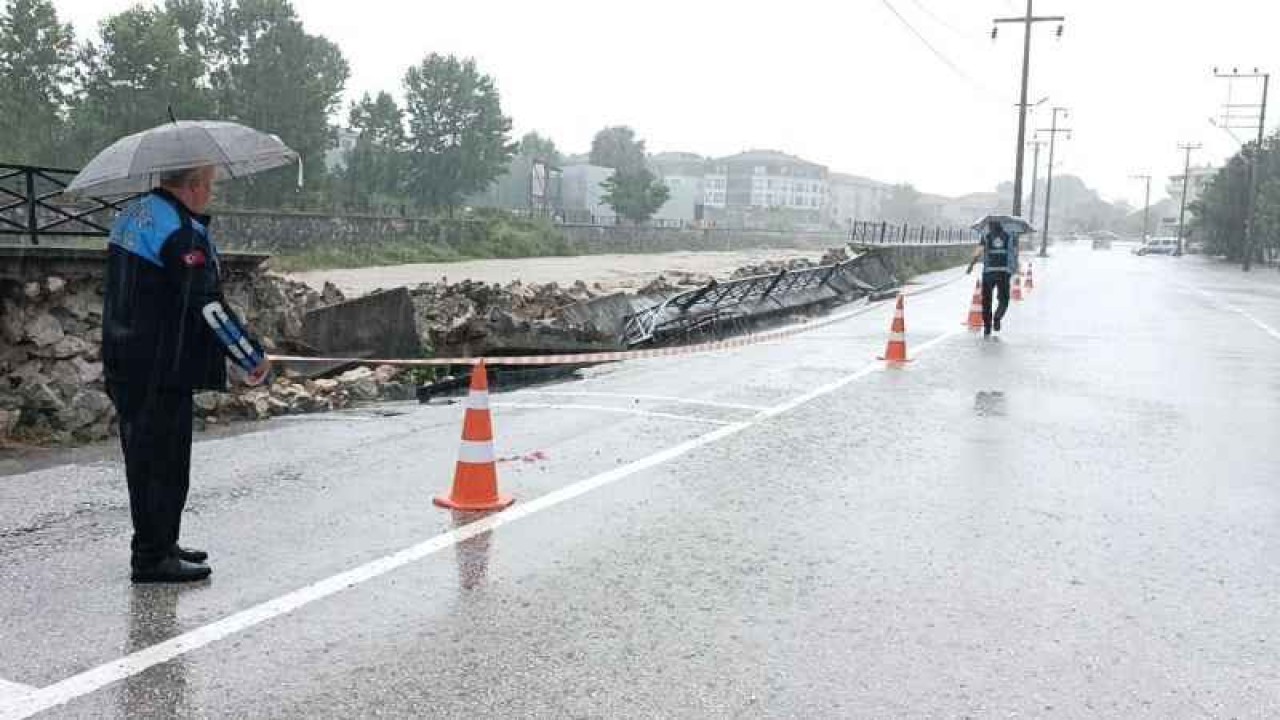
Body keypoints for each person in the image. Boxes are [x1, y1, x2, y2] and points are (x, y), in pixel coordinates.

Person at [103, 165, 271, 583]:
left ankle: (161, 542)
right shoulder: (181, 233)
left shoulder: (135, 214)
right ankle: (152, 558)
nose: (211, 193)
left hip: (127, 357)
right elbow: (208, 306)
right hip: (159, 365)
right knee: (163, 464)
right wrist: (249, 355)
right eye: (210, 185)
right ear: (193, 186)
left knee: (147, 460)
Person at [967, 218, 1018, 337]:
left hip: (988, 273)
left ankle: (987, 327)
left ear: (990, 226)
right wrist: (1014, 269)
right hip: (1004, 273)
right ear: (1001, 226)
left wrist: (971, 265)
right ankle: (997, 317)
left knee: (986, 300)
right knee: (1004, 299)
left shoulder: (986, 236)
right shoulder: (1009, 236)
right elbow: (1014, 253)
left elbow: (978, 252)